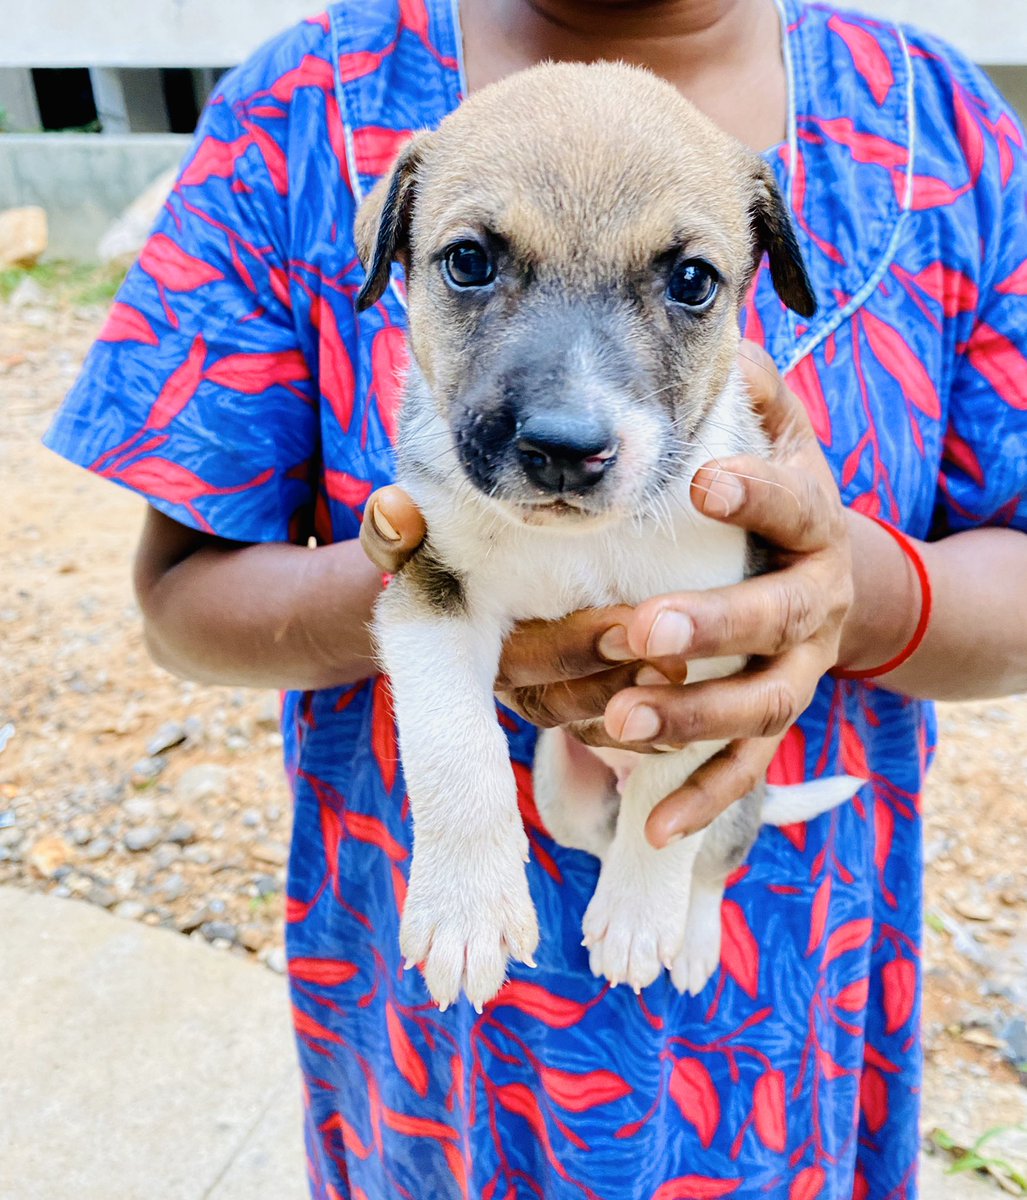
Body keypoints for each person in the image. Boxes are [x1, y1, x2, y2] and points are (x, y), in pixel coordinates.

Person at [44, 0, 1027, 1196]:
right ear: (393, 255)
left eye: (685, 282)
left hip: (790, 1005)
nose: (571, 413)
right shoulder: (300, 110)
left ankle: (685, 865)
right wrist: (439, 577)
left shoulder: (947, 127)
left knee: (677, 831)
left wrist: (854, 597)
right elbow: (180, 600)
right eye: (471, 264)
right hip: (434, 1033)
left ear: (763, 266)